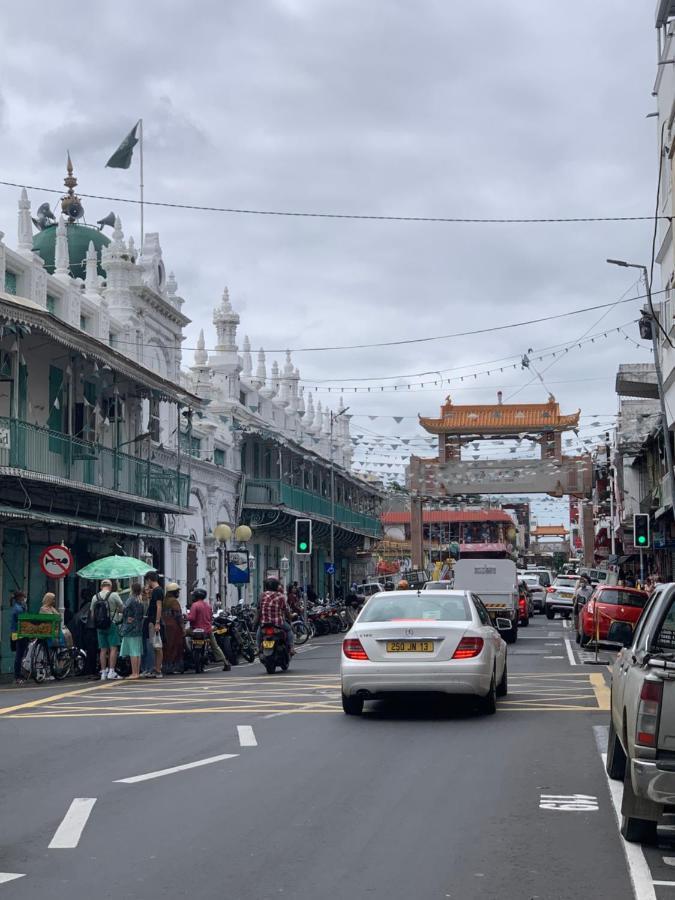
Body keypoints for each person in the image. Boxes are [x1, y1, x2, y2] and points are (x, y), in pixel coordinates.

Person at [187, 588, 230, 671]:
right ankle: (226, 663)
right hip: (207, 630)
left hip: (195, 630)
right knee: (215, 646)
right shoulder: (208, 606)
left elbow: (192, 618)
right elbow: (210, 618)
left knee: (182, 635)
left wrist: (186, 617)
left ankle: (184, 657)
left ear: (196, 596)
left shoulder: (195, 605)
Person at [91, 579, 124, 681]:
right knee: (113, 648)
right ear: (110, 586)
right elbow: (122, 608)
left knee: (103, 649)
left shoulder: (95, 597)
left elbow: (92, 614)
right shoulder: (114, 595)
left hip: (100, 626)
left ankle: (103, 673)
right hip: (112, 624)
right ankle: (111, 671)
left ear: (101, 586)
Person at [254, 578, 295, 655]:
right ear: (276, 587)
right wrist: (290, 617)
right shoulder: (281, 596)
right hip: (278, 623)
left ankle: (258, 648)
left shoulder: (262, 595)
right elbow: (285, 609)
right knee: (289, 630)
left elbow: (258, 609)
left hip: (264, 622)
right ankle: (291, 648)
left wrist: (256, 621)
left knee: (259, 631)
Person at [119, 583, 145, 679]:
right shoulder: (140, 600)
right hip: (138, 627)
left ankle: (134, 673)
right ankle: (137, 672)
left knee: (133, 651)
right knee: (137, 651)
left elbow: (124, 610)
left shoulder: (131, 599)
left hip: (130, 628)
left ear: (132, 589)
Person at [143, 571, 164, 678]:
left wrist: (157, 622)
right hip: (152, 620)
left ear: (150, 580)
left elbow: (159, 607)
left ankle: (158, 669)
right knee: (155, 645)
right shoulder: (156, 591)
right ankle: (156, 669)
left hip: (154, 621)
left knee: (157, 646)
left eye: (147, 581)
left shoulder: (158, 591)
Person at [162, 582, 185, 675]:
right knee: (176, 646)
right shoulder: (174, 601)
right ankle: (174, 666)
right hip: (174, 627)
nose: (178, 593)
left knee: (166, 647)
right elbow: (178, 615)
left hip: (165, 626)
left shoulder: (164, 601)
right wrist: (183, 627)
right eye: (177, 591)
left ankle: (166, 666)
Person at [10, 591, 28, 685]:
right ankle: (17, 676)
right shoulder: (18, 609)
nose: (24, 599)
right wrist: (25, 608)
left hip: (16, 633)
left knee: (19, 655)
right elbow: (24, 620)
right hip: (19, 634)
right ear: (20, 598)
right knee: (19, 655)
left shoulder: (18, 607)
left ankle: (18, 675)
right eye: (23, 597)